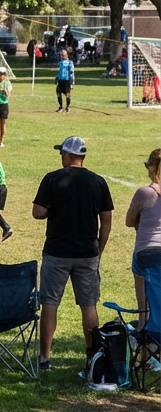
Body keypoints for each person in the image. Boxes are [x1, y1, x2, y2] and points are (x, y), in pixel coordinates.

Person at [33, 135, 113, 371]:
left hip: (57, 251)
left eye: (62, 153)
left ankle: (45, 357)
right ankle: (93, 357)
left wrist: (52, 207)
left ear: (68, 155)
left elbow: (37, 212)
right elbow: (106, 220)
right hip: (87, 252)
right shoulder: (98, 181)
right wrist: (99, 248)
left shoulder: (52, 178)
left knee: (50, 303)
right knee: (89, 305)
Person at [125, 149, 161, 330]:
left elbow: (129, 221)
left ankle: (144, 335)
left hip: (147, 252)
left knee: (144, 310)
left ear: (152, 167)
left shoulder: (145, 193)